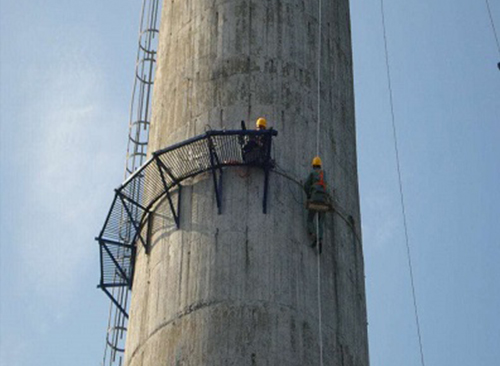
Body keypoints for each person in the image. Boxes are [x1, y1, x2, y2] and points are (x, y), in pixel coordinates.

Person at [304, 156, 327, 251]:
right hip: (323, 199)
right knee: (321, 221)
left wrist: (309, 195)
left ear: (313, 165)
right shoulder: (324, 174)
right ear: (320, 165)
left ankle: (313, 235)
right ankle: (321, 239)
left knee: (310, 219)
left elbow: (306, 185)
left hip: (314, 197)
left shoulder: (312, 173)